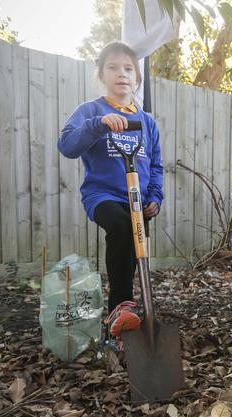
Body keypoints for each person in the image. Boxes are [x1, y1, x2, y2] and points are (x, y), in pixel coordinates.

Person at [57, 41, 163, 338]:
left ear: (137, 77)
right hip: (102, 195)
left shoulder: (146, 122)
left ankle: (122, 320)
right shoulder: (91, 111)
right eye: (113, 67)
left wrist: (155, 196)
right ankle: (121, 306)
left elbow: (156, 164)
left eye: (129, 68)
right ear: (101, 75)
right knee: (120, 226)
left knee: (132, 254)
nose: (122, 74)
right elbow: (67, 145)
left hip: (138, 200)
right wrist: (98, 124)